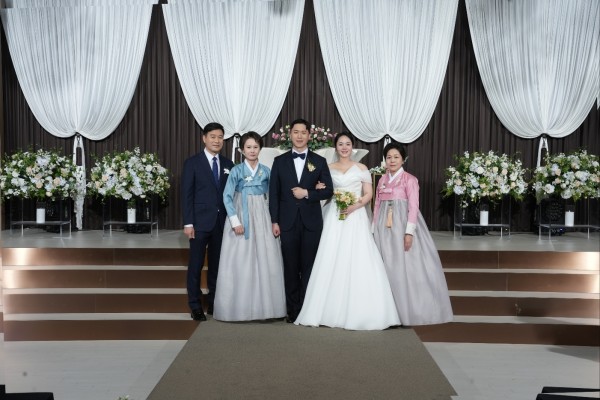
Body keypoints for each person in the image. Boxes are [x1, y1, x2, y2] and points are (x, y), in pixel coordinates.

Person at [294, 132, 400, 330]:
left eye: (348, 144)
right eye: (341, 144)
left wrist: (354, 206)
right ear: (336, 147)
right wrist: (318, 186)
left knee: (357, 256)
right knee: (330, 255)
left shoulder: (362, 168)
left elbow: (368, 193)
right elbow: (323, 190)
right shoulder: (328, 167)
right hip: (334, 215)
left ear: (352, 147)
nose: (344, 147)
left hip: (355, 215)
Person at [373, 142, 453, 326]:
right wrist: (373, 227)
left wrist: (409, 232)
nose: (392, 160)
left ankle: (408, 311)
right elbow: (377, 205)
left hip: (402, 225)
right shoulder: (382, 179)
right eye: (389, 157)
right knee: (386, 265)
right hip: (383, 227)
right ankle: (389, 312)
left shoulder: (409, 179)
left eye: (396, 157)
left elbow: (414, 207)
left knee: (404, 266)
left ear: (403, 159)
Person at [214, 132, 286, 321]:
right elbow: (227, 196)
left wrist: (274, 220)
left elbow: (274, 196)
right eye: (248, 147)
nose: (252, 151)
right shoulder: (236, 171)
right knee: (241, 259)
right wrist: (235, 221)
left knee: (265, 257)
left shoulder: (266, 171)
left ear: (260, 149)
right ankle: (239, 309)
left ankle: (266, 309)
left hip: (262, 215)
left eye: (255, 147)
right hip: (241, 212)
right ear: (242, 150)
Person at [269, 118, 334, 323]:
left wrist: (307, 193)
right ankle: (293, 311)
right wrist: (274, 221)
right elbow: (274, 193)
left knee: (309, 267)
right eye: (295, 132)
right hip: (286, 222)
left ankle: (307, 309)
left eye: (303, 132)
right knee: (290, 267)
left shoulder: (319, 161)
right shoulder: (279, 161)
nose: (299, 136)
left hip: (311, 223)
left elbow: (329, 191)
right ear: (290, 135)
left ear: (309, 135)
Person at [181, 122, 234, 321]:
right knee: (195, 265)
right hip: (199, 223)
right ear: (204, 138)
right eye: (213, 136)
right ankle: (195, 305)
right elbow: (186, 195)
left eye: (220, 137)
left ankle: (214, 302)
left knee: (217, 265)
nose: (216, 140)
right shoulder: (192, 163)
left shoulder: (229, 164)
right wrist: (188, 223)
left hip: (221, 223)